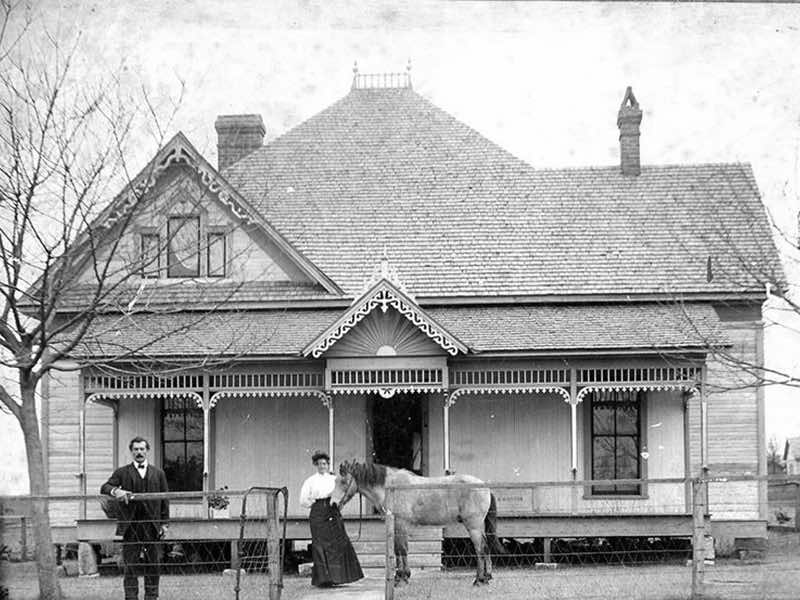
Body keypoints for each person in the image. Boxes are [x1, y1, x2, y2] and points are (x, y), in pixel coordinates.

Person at [101, 437, 169, 600]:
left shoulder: (158, 473)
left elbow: (165, 499)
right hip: (131, 526)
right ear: (131, 452)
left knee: (153, 563)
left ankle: (152, 596)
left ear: (147, 451)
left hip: (152, 525)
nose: (139, 452)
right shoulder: (122, 472)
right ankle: (131, 597)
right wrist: (116, 491)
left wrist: (164, 523)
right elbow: (105, 487)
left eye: (142, 449)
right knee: (130, 564)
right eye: (136, 449)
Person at [299, 451, 363, 587]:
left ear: (328, 465)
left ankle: (339, 578)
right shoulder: (310, 481)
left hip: (332, 511)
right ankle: (324, 580)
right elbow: (303, 500)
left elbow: (343, 491)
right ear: (316, 465)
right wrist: (316, 505)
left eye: (324, 464)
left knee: (338, 542)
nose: (322, 466)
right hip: (318, 512)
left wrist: (338, 503)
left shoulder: (334, 479)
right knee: (320, 544)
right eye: (319, 464)